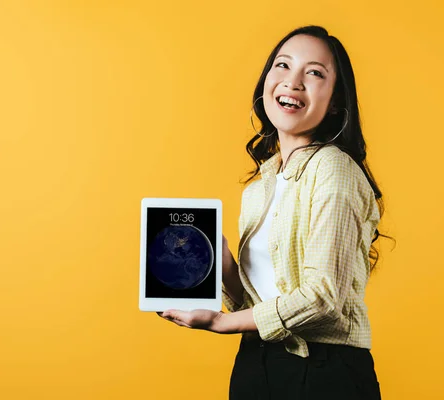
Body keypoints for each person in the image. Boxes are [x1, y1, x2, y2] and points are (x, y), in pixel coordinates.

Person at [159, 25, 387, 399]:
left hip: (324, 373)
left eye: (314, 73)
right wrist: (217, 256)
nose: (293, 82)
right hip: (257, 364)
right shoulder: (259, 186)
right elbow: (257, 303)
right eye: (283, 65)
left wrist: (220, 321)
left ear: (334, 101)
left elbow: (322, 299)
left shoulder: (334, 168)